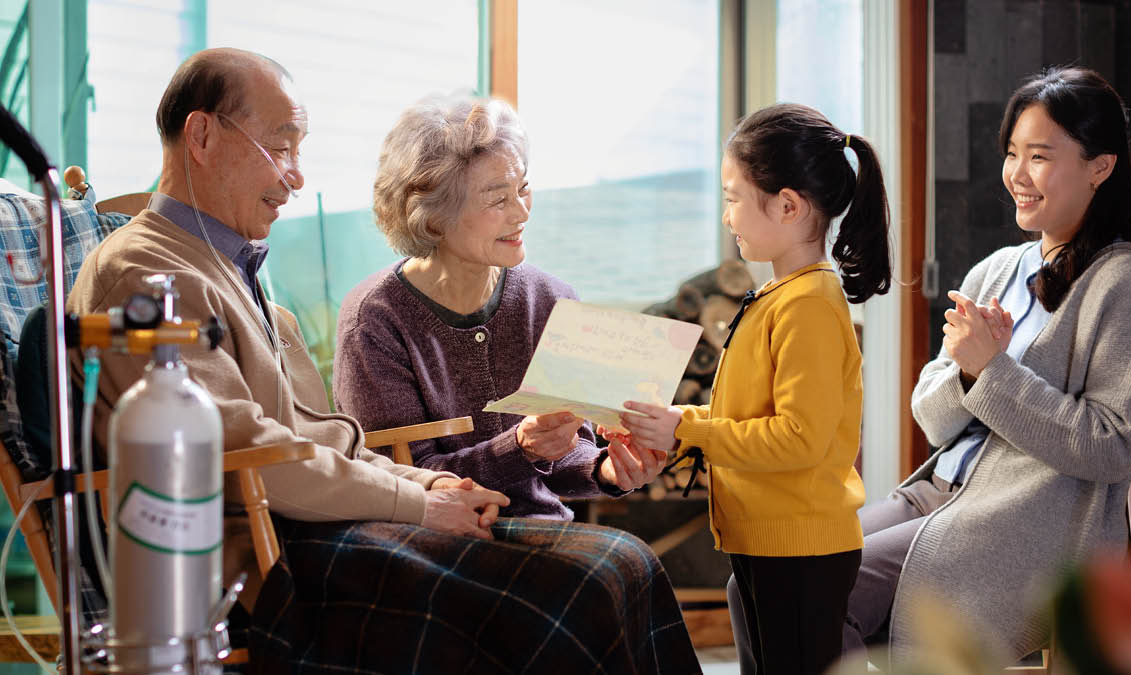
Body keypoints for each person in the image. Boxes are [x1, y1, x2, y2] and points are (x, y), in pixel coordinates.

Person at [66, 48, 701, 672]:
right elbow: (253, 456)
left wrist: (433, 485)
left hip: (322, 524)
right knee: (581, 586)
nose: (296, 176)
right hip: (273, 556)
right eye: (281, 147)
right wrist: (427, 501)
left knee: (622, 563)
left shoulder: (231, 269)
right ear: (200, 135)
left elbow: (328, 440)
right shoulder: (146, 275)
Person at [840, 66, 1131, 669]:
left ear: (1100, 167)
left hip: (1023, 526)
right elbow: (932, 416)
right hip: (938, 495)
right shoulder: (996, 270)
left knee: (819, 594)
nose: (1017, 174)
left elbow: (1109, 447)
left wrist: (991, 372)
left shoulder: (1129, 287)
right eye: (1012, 153)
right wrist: (970, 374)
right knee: (766, 581)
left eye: (1040, 156)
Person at [618, 103, 894, 675]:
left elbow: (798, 439)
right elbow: (748, 412)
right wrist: (677, 422)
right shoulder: (780, 296)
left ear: (788, 205)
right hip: (769, 541)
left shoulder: (810, 306)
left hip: (802, 551)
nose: (726, 216)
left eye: (733, 196)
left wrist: (687, 428)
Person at [333, 94, 665, 520]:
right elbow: (400, 478)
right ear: (433, 216)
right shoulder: (374, 321)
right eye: (497, 199)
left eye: (523, 188)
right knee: (613, 568)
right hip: (426, 532)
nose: (522, 211)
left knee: (628, 566)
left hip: (535, 527)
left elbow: (569, 451)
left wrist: (606, 468)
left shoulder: (552, 298)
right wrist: (518, 448)